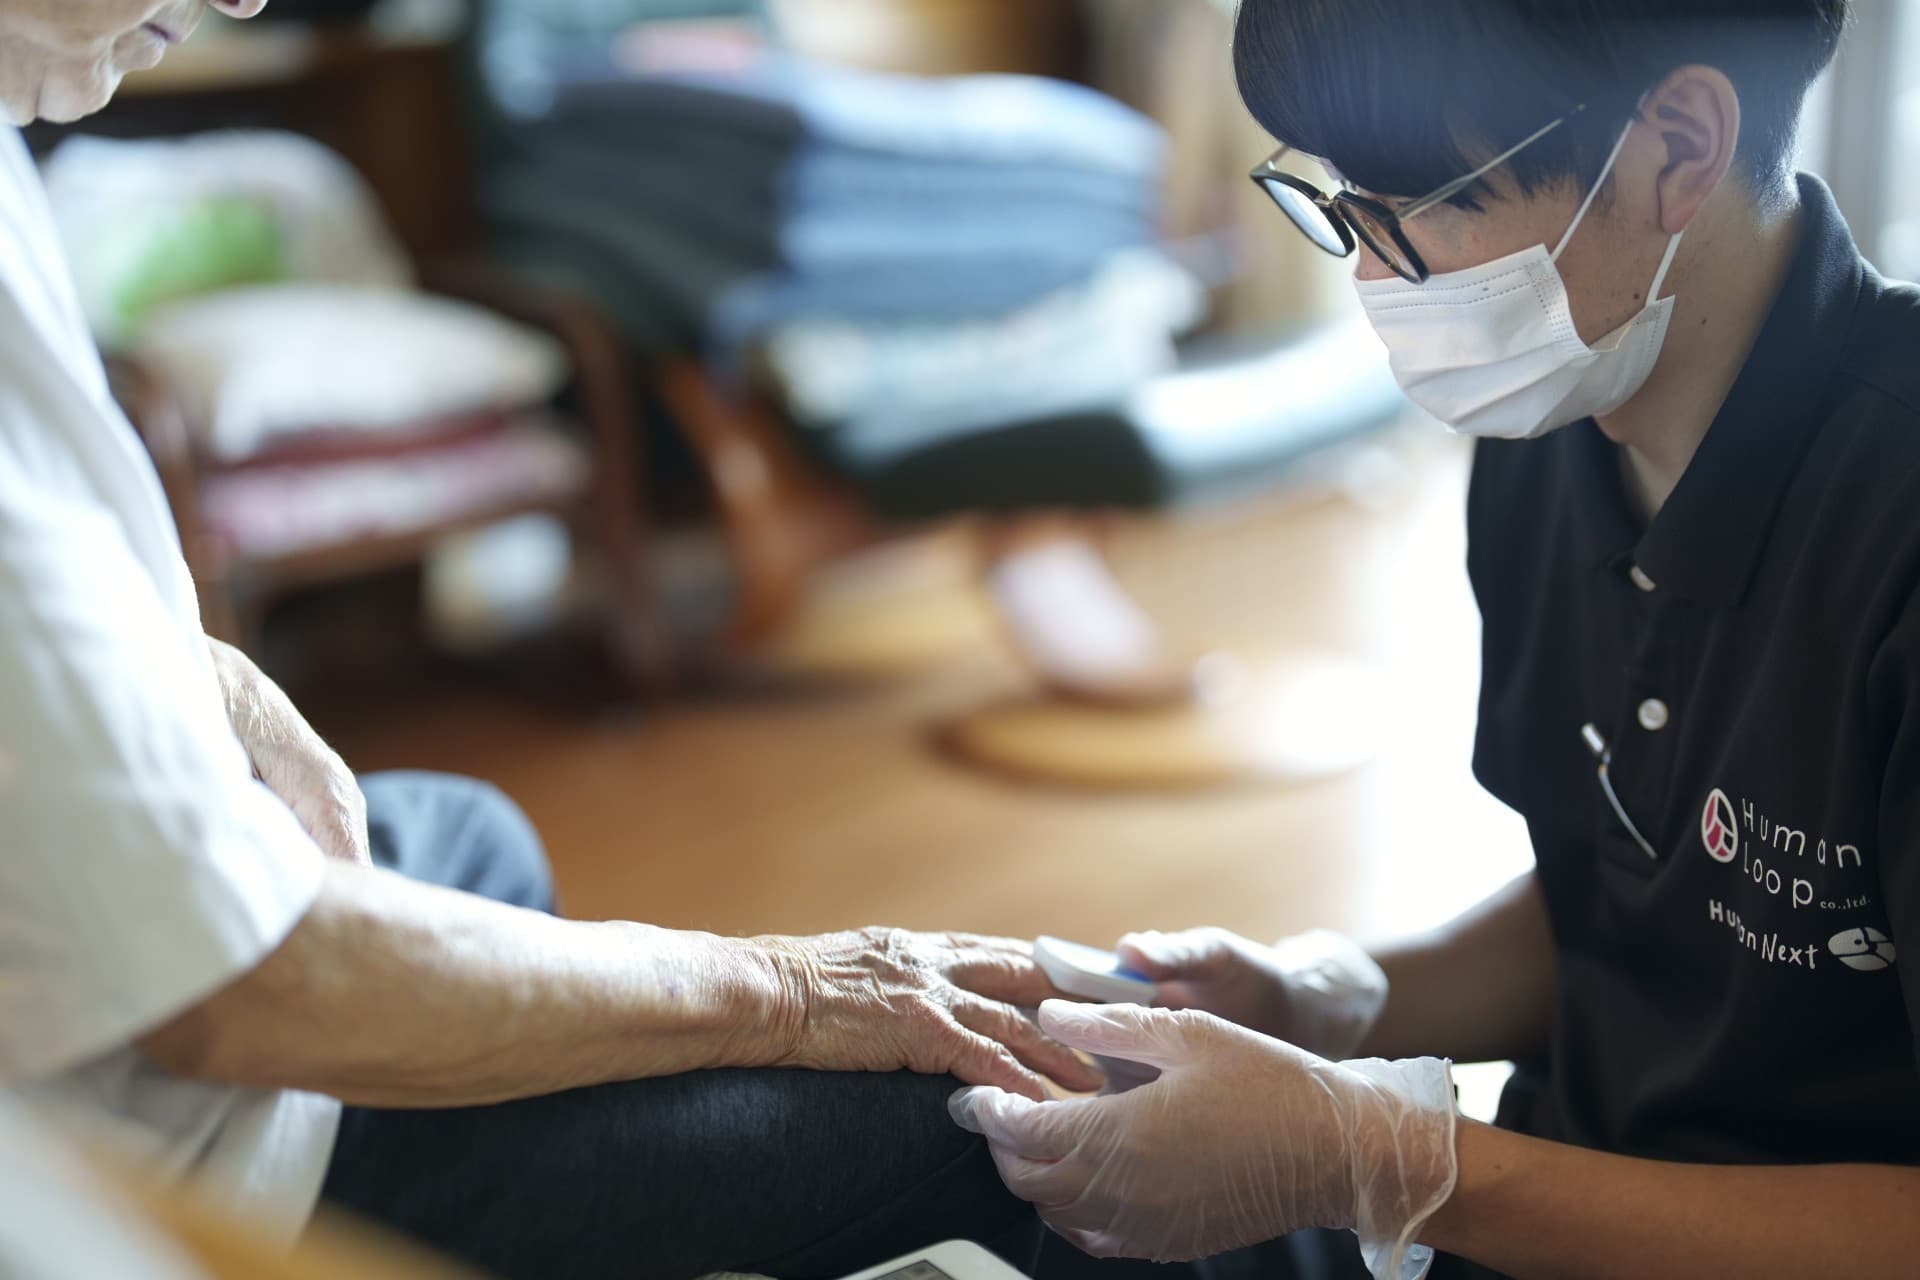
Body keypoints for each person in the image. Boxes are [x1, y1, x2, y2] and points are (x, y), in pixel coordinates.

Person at [0, 4, 1104, 1279]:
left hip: (150, 998)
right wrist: (797, 990)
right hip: (150, 1154)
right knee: (996, 1135)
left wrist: (208, 671)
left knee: (473, 835)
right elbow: (244, 990)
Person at [952, 1, 1920, 1276]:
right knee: (990, 1188)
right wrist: (1322, 999)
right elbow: (1621, 904)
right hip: (1534, 1203)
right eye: (1347, 204)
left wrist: (1392, 1160)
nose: (1370, 272)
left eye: (1421, 202)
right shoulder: (1562, 434)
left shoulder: (1892, 517)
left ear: (1679, 148)